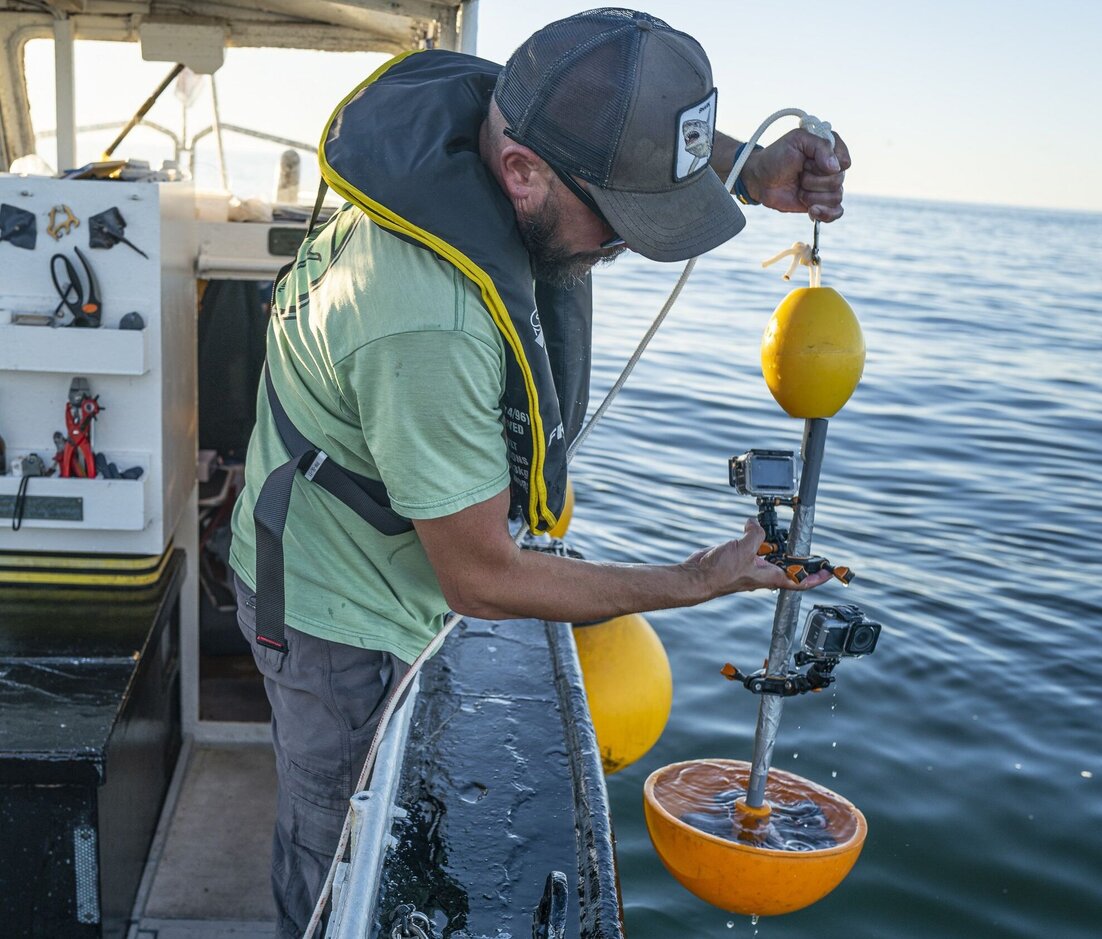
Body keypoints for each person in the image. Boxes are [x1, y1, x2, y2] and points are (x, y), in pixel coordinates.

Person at [229, 8, 850, 936]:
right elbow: (481, 577)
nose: (633, 244)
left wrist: (748, 172)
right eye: (623, 220)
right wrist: (697, 579)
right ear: (522, 174)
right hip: (333, 620)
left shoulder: (498, 110)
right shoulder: (429, 323)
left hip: (370, 544)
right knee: (334, 867)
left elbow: (615, 139)